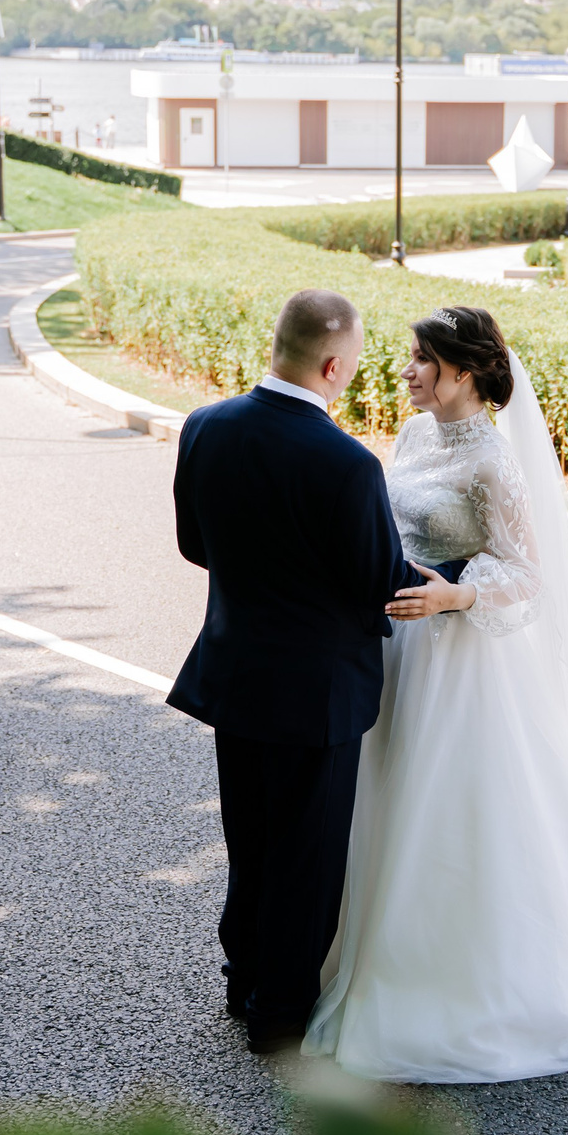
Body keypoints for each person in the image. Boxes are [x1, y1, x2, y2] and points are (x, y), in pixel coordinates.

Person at [305, 305, 568, 1083]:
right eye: (409, 357)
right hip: (399, 644)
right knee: (386, 797)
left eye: (421, 359)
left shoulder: (494, 462)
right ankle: (380, 948)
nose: (406, 371)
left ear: (465, 372)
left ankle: (476, 980)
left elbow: (526, 575)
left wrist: (455, 598)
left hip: (462, 658)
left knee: (456, 807)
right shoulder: (415, 434)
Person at [167, 290, 417, 1055]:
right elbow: (383, 581)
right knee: (307, 856)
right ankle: (278, 1014)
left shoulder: (204, 427)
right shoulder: (346, 464)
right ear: (333, 365)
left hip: (237, 675)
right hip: (319, 691)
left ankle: (242, 978)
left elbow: (193, 544)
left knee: (250, 838)